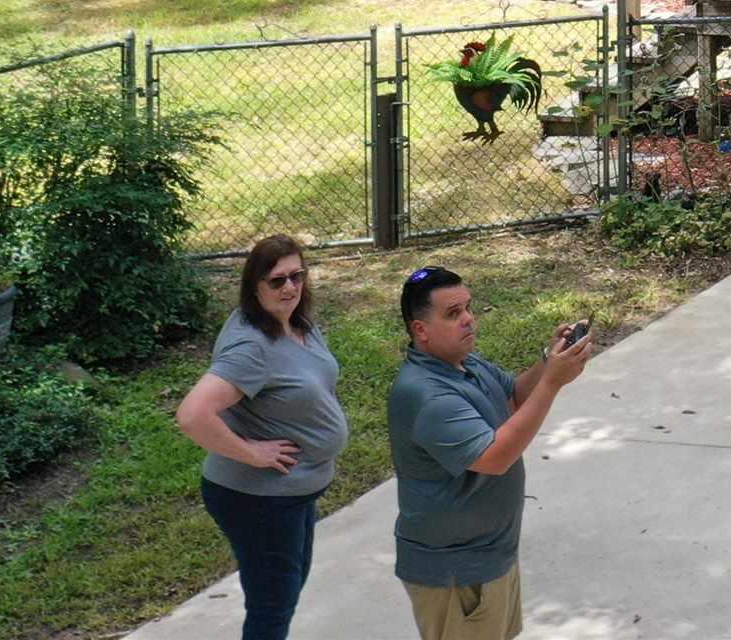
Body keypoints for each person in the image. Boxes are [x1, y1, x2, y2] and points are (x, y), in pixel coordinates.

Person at [386, 265, 594, 640]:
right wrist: (552, 382)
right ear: (420, 330)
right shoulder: (426, 394)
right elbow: (495, 457)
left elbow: (513, 397)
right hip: (458, 572)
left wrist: (550, 360)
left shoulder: (464, 363)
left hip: (489, 557)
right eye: (453, 314)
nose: (468, 320)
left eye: (467, 308)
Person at [174, 235, 348, 640]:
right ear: (254, 286)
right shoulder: (252, 347)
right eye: (276, 280)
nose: (289, 287)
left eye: (296, 276)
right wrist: (251, 453)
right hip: (258, 499)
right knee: (272, 607)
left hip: (292, 492)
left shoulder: (295, 322)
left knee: (286, 587)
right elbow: (192, 414)